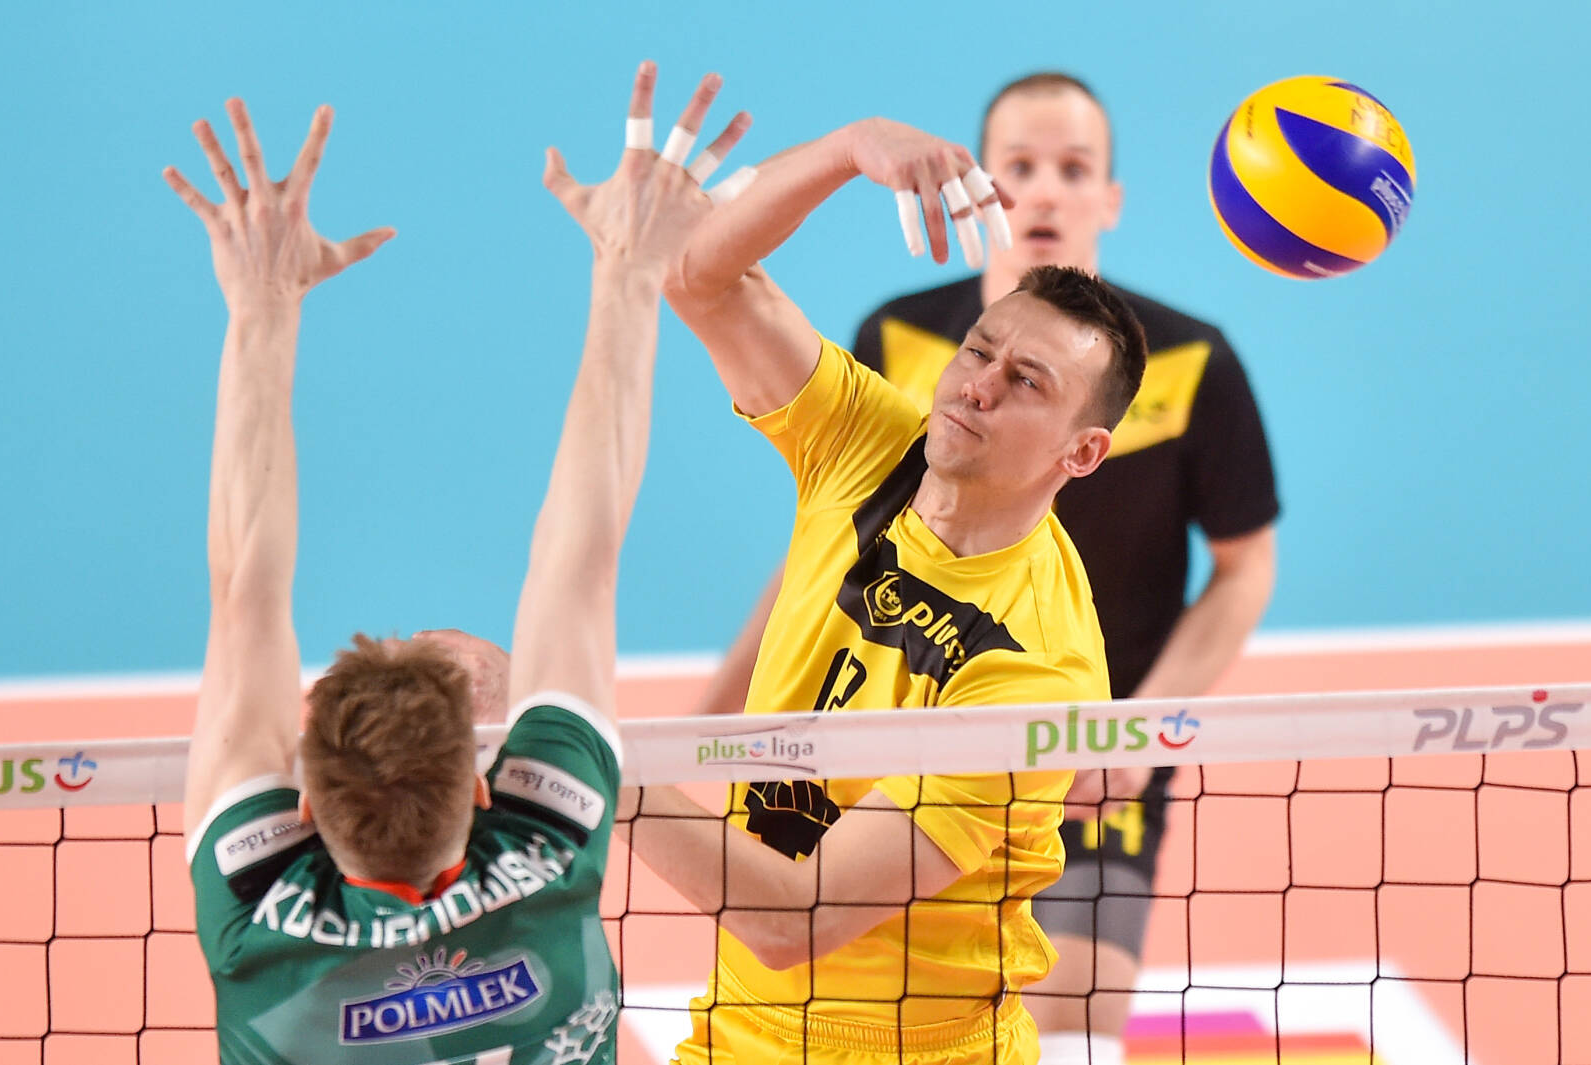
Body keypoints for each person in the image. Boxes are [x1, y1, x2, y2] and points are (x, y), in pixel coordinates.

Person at [696, 72, 1281, 1065]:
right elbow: (830, 543)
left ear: (1110, 199)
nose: (1044, 191)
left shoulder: (1192, 361)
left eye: (1073, 169)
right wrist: (712, 713)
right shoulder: (904, 340)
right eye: (1019, 167)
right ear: (976, 187)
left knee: (1076, 1029)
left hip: (1078, 741)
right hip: (890, 734)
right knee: (824, 948)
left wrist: (1134, 733)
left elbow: (1243, 568)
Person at [171, 66, 748, 1065]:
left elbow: (242, 592)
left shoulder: (255, 927)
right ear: (482, 791)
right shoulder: (549, 851)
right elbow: (580, 557)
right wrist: (629, 268)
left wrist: (259, 310)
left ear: (304, 806)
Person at [619, 104, 1148, 1065]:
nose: (978, 385)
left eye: (1028, 381)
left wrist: (587, 763)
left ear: (1082, 452)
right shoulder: (869, 447)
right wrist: (847, 147)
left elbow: (794, 917)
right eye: (980, 350)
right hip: (738, 1030)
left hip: (913, 1049)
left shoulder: (1038, 671)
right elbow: (698, 277)